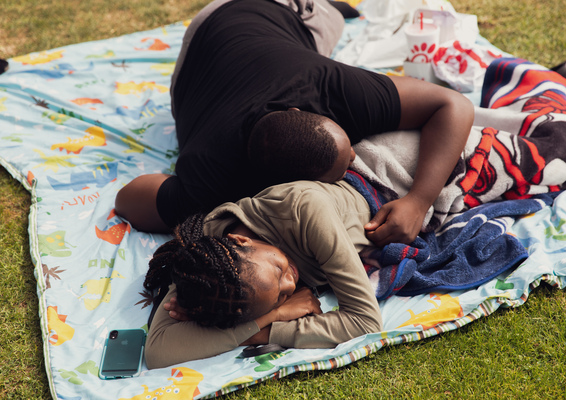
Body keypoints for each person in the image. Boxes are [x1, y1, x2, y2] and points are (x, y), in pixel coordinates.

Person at [114, 0, 475, 247]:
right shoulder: (214, 177)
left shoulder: (329, 85)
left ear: (301, 112)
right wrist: (199, 208)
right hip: (199, 58)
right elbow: (127, 200)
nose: (354, 157)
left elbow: (452, 104)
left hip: (264, 15)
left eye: (346, 149)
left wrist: (419, 200)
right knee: (326, 22)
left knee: (327, 20)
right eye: (345, 164)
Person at [144, 178, 382, 369]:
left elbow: (366, 321)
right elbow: (158, 351)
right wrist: (272, 318)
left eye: (279, 271)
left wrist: (257, 333)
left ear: (241, 240)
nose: (291, 285)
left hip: (379, 184)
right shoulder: (207, 269)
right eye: (280, 297)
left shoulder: (307, 212)